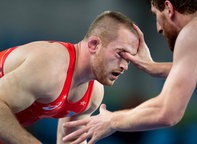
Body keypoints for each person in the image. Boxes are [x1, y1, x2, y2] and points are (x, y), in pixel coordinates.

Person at [62, 0, 197, 144]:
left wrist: (112, 120)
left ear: (169, 8)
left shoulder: (193, 33)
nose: (158, 27)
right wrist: (153, 67)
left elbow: (168, 113)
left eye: (156, 14)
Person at [0, 10, 139, 144]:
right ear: (94, 44)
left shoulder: (93, 94)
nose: (125, 66)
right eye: (120, 54)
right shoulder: (50, 65)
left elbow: (71, 141)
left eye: (128, 59)